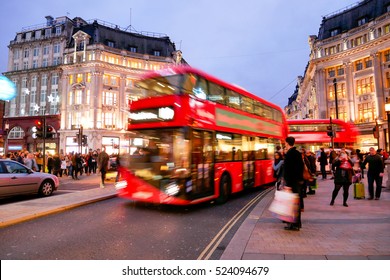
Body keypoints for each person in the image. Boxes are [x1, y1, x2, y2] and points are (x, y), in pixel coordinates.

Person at [283, 136, 304, 231]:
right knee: (295, 204)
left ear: (287, 143)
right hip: (296, 182)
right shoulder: (297, 153)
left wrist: (288, 184)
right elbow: (300, 167)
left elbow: (289, 170)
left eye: (285, 143)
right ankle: (296, 223)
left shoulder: (290, 154)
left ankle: (294, 224)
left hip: (292, 183)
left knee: (293, 204)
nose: (284, 144)